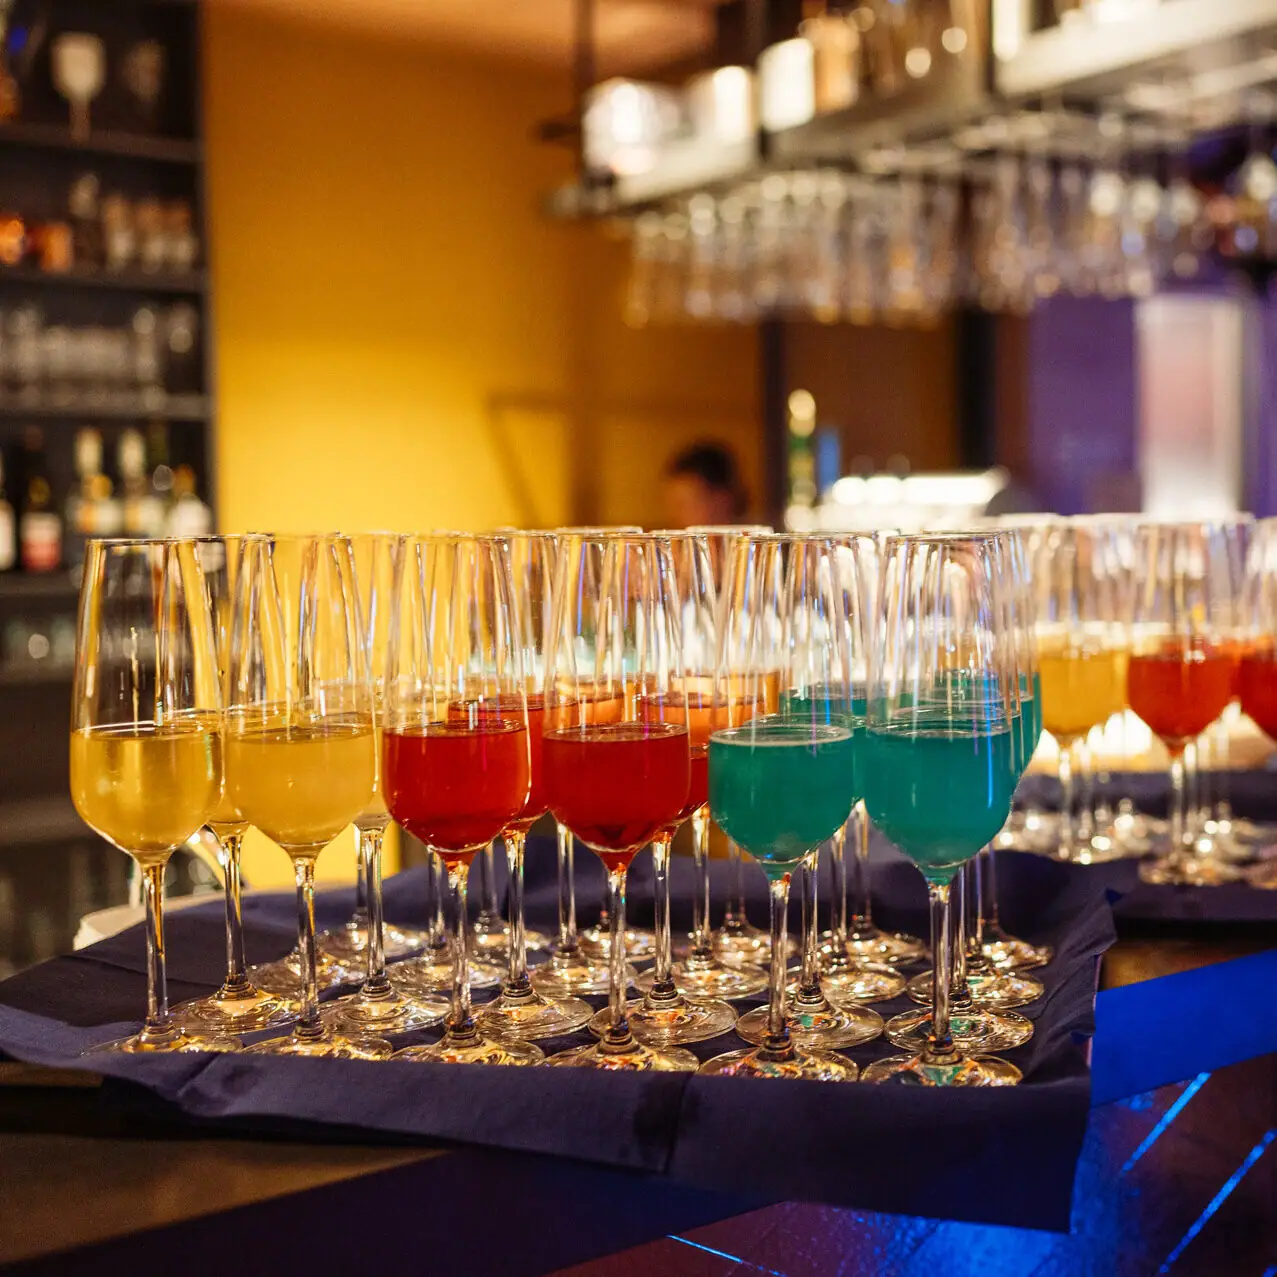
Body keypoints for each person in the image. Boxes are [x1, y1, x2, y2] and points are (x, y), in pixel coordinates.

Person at [661, 442, 749, 529]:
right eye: (673, 507)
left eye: (684, 506)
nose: (674, 517)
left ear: (721, 500)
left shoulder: (752, 539)